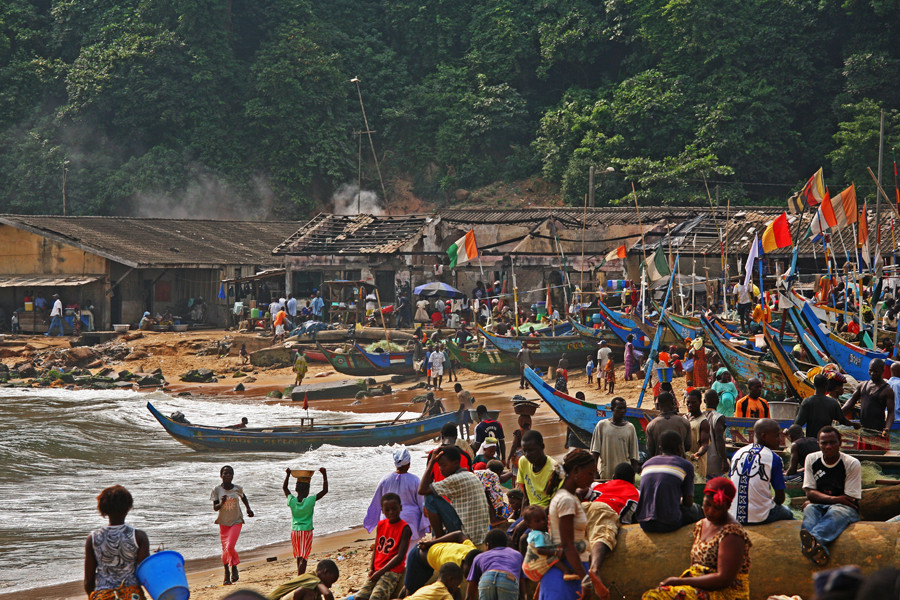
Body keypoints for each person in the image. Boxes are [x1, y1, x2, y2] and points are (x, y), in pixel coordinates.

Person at [641, 478, 752, 600]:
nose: (710, 511)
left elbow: (723, 580)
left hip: (725, 593)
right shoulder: (701, 524)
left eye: (717, 508)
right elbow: (694, 565)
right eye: (707, 504)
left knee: (656, 597)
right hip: (699, 586)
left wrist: (679, 582)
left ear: (728, 507)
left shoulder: (732, 533)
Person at [540, 449, 600, 600]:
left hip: (567, 570)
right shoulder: (566, 500)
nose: (592, 479)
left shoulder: (565, 497)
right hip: (568, 574)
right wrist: (585, 581)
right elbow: (567, 544)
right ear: (576, 471)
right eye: (590, 473)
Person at [800, 426, 862, 566]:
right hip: (820, 505)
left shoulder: (851, 463)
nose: (828, 447)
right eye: (824, 443)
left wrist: (816, 498)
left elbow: (849, 500)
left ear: (840, 442)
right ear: (818, 443)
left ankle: (812, 540)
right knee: (810, 509)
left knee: (836, 511)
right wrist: (835, 499)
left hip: (845, 509)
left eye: (832, 442)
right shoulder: (811, 459)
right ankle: (818, 550)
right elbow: (810, 493)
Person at [84, 485, 150, 600]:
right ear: (128, 508)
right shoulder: (139, 537)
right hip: (132, 595)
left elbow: (89, 580)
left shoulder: (93, 538)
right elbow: (145, 573)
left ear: (103, 510)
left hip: (103, 595)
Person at [419, 445, 490, 544]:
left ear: (456, 463)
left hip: (467, 534)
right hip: (478, 533)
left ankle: (439, 537)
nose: (440, 469)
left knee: (429, 498)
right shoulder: (470, 475)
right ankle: (441, 535)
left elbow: (422, 490)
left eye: (444, 465)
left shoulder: (456, 479)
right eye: (439, 465)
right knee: (434, 494)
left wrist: (431, 462)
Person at [728, 419, 792, 525]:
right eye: (776, 436)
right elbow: (780, 498)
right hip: (759, 517)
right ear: (764, 436)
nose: (780, 440)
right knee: (787, 512)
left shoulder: (737, 453)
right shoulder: (774, 458)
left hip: (734, 514)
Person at [635, 430, 701, 533]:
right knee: (697, 510)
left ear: (660, 448)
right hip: (668, 523)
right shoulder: (685, 465)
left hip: (644, 523)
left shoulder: (647, 464)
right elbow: (688, 502)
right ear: (680, 448)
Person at [365, 449, 429, 545]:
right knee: (409, 551)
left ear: (395, 464)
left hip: (388, 520)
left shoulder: (385, 479)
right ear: (409, 464)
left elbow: (376, 503)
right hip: (410, 521)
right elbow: (422, 503)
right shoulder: (415, 480)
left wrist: (371, 520)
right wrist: (426, 522)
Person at [356, 493, 411, 600]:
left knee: (376, 597)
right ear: (382, 510)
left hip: (392, 571)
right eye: (387, 510)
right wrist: (372, 567)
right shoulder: (381, 524)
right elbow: (376, 548)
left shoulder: (405, 528)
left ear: (400, 507)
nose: (391, 512)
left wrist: (380, 572)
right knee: (360, 597)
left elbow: (400, 556)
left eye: (394, 509)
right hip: (377, 569)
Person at [211, 465, 255, 585]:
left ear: (233, 476)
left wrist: (248, 509)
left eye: (230, 473)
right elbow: (215, 508)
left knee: (230, 547)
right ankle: (227, 573)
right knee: (225, 549)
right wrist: (222, 503)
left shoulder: (237, 488)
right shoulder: (217, 490)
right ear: (221, 476)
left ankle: (234, 565)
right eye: (225, 473)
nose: (227, 475)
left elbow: (244, 498)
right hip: (223, 522)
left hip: (236, 520)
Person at [402, 530, 480, 595]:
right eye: (469, 572)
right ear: (463, 563)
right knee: (410, 594)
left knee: (409, 585)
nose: (470, 576)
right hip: (418, 558)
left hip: (431, 558)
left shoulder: (472, 550)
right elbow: (455, 592)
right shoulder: (453, 565)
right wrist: (431, 542)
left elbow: (459, 534)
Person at [282, 467, 327, 575]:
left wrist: (288, 475)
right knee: (304, 557)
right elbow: (325, 491)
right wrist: (324, 474)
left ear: (296, 489)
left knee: (299, 555)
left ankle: (299, 576)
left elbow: (285, 488)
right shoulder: (310, 501)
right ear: (307, 490)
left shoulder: (292, 501)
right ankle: (300, 577)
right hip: (306, 531)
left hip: (295, 531)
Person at [842, 358, 895, 444]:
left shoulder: (887, 390)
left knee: (877, 457)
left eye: (876, 371)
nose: (872, 374)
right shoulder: (862, 385)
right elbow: (851, 402)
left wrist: (887, 428)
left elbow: (891, 412)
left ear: (882, 371)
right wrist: (837, 413)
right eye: (870, 371)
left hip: (878, 434)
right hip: (863, 433)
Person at [590, 396, 640, 479]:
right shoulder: (602, 425)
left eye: (624, 408)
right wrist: (595, 472)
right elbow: (595, 452)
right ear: (612, 409)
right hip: (606, 474)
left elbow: (634, 457)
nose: (623, 411)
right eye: (619, 408)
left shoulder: (630, 427)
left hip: (624, 477)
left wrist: (633, 476)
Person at [795, 374, 858, 439]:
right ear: (826, 386)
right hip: (826, 440)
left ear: (814, 385)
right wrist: (854, 424)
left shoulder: (806, 402)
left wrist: (789, 431)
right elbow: (843, 421)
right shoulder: (833, 403)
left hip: (811, 440)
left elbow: (798, 423)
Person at [466, 528, 522, 600]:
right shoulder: (517, 554)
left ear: (487, 545)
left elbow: (470, 595)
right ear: (506, 545)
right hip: (508, 579)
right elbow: (522, 590)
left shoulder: (479, 557)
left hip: (487, 578)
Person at [516, 430, 559, 507]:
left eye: (531, 450)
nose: (527, 455)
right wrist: (522, 517)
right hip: (531, 510)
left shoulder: (553, 470)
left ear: (542, 447)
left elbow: (553, 504)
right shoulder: (523, 461)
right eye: (524, 451)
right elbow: (526, 497)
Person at [265, 559, 339, 600]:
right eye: (331, 581)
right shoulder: (313, 579)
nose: (330, 585)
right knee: (306, 592)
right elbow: (327, 594)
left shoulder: (316, 590)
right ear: (325, 571)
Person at [646, 392, 691, 458]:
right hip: (680, 464)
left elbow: (650, 450)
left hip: (660, 464)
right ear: (673, 403)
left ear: (658, 406)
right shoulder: (684, 422)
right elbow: (688, 446)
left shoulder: (652, 425)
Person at [703, 390, 730, 479]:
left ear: (704, 401)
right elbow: (719, 438)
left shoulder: (699, 416)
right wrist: (724, 460)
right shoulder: (718, 417)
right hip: (714, 460)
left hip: (701, 459)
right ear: (718, 401)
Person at [686, 388, 711, 481]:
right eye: (688, 402)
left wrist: (698, 454)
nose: (690, 405)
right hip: (685, 461)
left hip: (697, 463)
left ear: (700, 402)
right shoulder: (685, 418)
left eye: (693, 402)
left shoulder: (703, 422)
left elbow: (705, 444)